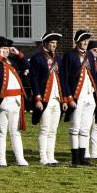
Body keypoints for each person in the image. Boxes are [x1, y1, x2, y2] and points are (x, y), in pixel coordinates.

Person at [0, 36, 29, 167]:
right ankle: (1, 159)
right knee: (1, 132)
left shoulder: (12, 62)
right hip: (3, 102)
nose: (7, 51)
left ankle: (20, 158)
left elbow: (26, 65)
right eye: (4, 48)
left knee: (16, 132)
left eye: (8, 49)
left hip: (16, 101)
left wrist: (19, 54)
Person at [60, 29, 97, 166]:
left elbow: (93, 75)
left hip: (89, 95)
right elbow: (64, 78)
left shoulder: (90, 56)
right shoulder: (70, 55)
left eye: (87, 40)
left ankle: (83, 157)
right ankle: (75, 158)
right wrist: (68, 97)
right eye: (83, 40)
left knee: (85, 128)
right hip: (77, 95)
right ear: (77, 41)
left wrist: (95, 94)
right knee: (75, 127)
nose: (85, 42)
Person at [29, 31, 66, 166]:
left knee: (53, 129)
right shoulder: (37, 58)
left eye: (55, 43)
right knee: (44, 128)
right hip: (45, 97)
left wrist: (64, 99)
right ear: (45, 43)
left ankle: (51, 156)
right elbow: (34, 79)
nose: (54, 45)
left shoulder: (58, 59)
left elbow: (61, 79)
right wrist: (37, 98)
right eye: (52, 43)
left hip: (56, 98)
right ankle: (43, 157)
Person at [86, 40, 97, 159]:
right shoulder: (86, 63)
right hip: (89, 95)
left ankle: (94, 150)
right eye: (94, 50)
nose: (96, 52)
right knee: (86, 126)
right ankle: (85, 150)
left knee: (96, 125)